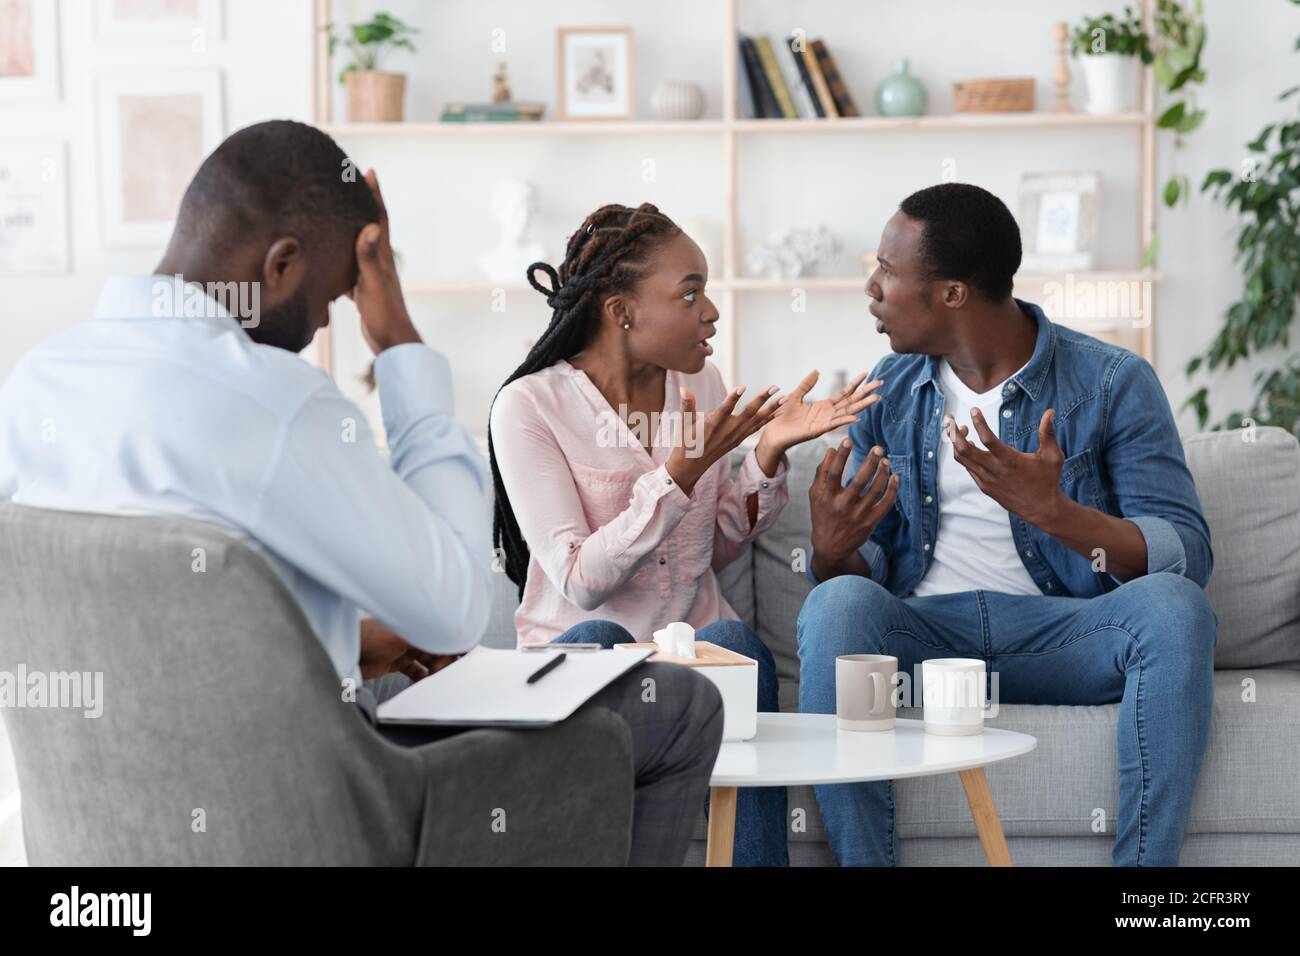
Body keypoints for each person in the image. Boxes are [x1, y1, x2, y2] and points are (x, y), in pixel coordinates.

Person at [0, 120, 725, 866]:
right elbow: (453, 615)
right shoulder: (275, 403)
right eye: (330, 297)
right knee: (681, 711)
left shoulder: (36, 385)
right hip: (313, 824)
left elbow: (153, 625)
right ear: (281, 265)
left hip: (98, 840)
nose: (321, 324)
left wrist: (337, 640)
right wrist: (400, 345)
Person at [796, 182, 1217, 867]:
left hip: (1067, 636)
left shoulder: (1113, 382)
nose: (871, 288)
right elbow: (861, 570)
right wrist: (832, 551)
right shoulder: (891, 387)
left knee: (1175, 609)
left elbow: (1185, 555)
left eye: (888, 272)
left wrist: (1056, 513)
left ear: (953, 293)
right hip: (926, 640)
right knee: (835, 601)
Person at [488, 202, 882, 866]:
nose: (712, 314)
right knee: (597, 642)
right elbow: (583, 582)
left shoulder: (700, 382)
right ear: (622, 312)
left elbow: (714, 545)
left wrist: (767, 454)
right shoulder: (529, 406)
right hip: (583, 657)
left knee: (731, 639)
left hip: (691, 660)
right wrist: (678, 473)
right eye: (690, 293)